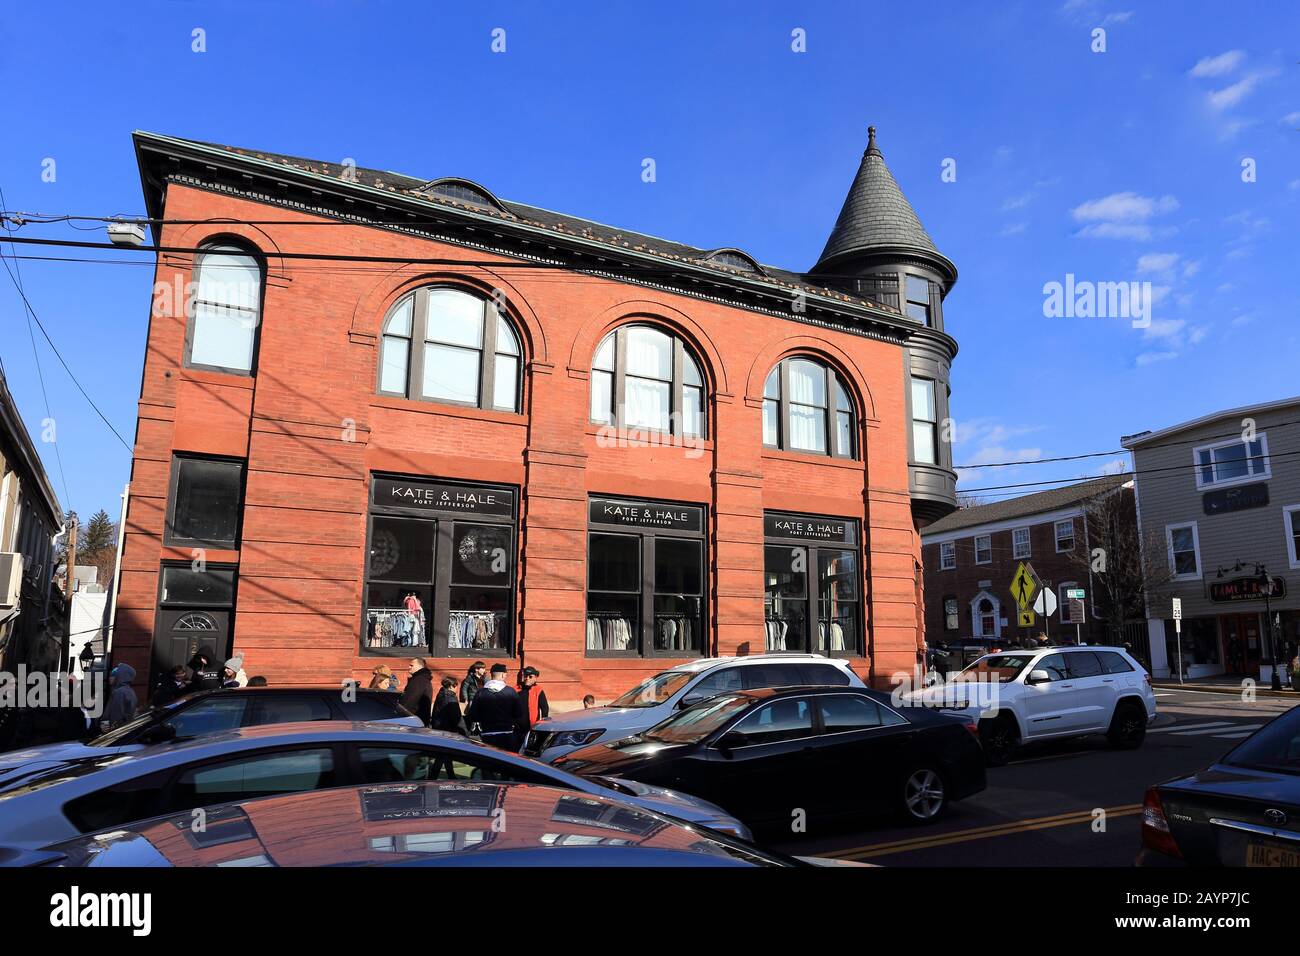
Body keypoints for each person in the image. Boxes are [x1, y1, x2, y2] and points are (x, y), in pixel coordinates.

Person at [464, 663, 524, 750]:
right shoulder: (511, 692)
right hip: (507, 733)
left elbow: (473, 716)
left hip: (487, 734)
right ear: (503, 675)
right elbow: (519, 713)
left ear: (491, 675)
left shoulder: (481, 693)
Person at [515, 666, 549, 750]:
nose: (527, 678)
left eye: (530, 676)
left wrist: (542, 724)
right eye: (525, 676)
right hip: (517, 728)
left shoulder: (538, 690)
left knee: (531, 749)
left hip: (532, 727)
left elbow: (545, 708)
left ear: (535, 678)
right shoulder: (516, 689)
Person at [103, 663, 139, 730]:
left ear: (121, 676)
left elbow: (116, 716)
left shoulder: (119, 692)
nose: (110, 678)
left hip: (115, 732)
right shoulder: (130, 691)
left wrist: (110, 731)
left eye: (114, 675)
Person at [400, 658, 435, 726]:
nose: (409, 667)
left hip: (414, 721)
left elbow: (409, 701)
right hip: (419, 720)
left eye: (411, 665)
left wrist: (400, 714)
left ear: (419, 667)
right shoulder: (421, 678)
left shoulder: (419, 680)